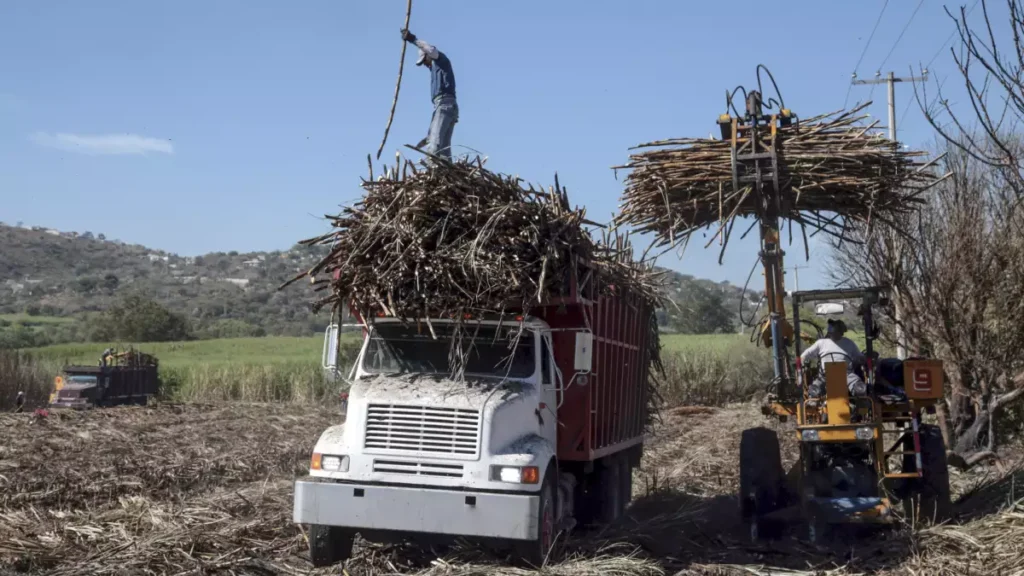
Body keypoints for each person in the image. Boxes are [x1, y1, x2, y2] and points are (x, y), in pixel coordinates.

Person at [401, 29, 458, 160]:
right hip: (444, 106)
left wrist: (413, 39)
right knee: (444, 149)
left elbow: (431, 49)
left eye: (424, 60)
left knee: (434, 146)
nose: (425, 65)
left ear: (428, 55)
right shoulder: (435, 70)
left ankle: (434, 168)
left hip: (445, 105)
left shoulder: (441, 61)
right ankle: (445, 172)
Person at [800, 320, 867, 397]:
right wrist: (802, 359)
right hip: (825, 375)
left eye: (838, 331)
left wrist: (864, 359)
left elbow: (859, 356)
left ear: (842, 332)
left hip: (846, 374)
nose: (835, 334)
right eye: (834, 332)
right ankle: (813, 404)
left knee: (859, 388)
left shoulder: (849, 343)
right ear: (830, 332)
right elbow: (806, 354)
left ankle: (862, 405)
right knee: (814, 389)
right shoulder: (821, 343)